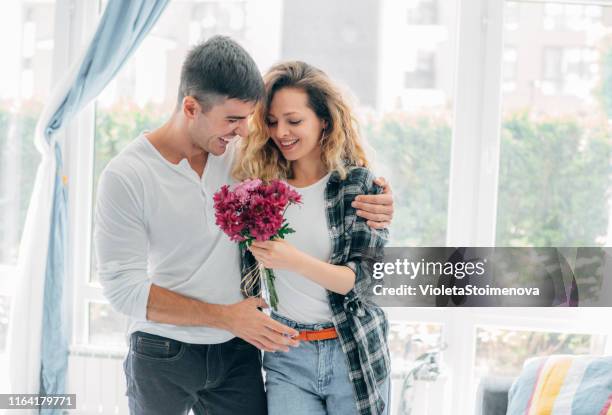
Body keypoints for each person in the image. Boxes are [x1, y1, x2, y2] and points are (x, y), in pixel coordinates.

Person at [94, 36, 394, 415]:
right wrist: (225, 316)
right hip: (164, 351)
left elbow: (324, 185)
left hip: (241, 350)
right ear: (190, 108)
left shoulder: (245, 160)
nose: (245, 131)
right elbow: (123, 290)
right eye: (234, 120)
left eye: (248, 120)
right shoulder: (126, 175)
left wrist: (380, 199)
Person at [234, 61, 391, 415]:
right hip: (286, 355)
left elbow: (359, 281)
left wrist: (292, 259)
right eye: (272, 122)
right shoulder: (261, 188)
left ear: (324, 120)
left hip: (351, 351)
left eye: (294, 120)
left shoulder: (359, 186)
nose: (281, 132)